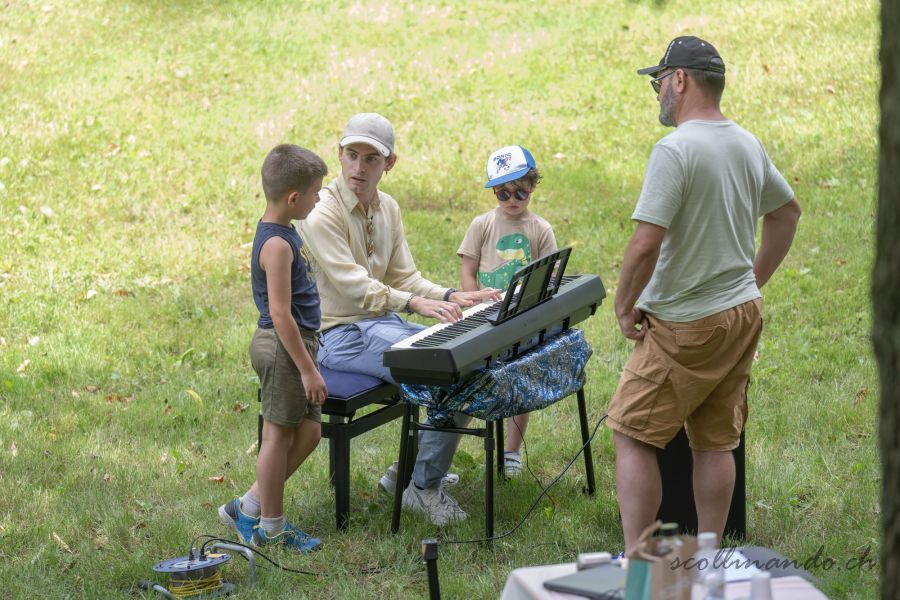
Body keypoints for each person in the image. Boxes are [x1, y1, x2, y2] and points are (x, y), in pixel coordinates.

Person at [608, 36, 801, 552]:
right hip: (740, 315)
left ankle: (639, 560)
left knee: (632, 433)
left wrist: (624, 307)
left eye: (658, 81)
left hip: (686, 324)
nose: (657, 92)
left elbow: (645, 243)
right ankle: (711, 556)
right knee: (715, 440)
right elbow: (787, 213)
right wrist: (750, 280)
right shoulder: (745, 142)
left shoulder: (676, 149)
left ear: (680, 79)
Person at [299, 113, 500, 526]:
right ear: (339, 154)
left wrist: (450, 295)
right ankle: (422, 487)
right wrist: (414, 304)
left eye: (371, 158)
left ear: (389, 163)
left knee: (466, 359)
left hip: (381, 323)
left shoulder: (387, 207)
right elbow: (355, 286)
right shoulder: (321, 213)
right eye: (351, 155)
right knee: (448, 371)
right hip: (339, 337)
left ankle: (410, 474)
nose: (358, 167)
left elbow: (403, 276)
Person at [218, 144, 329, 552]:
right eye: (316, 193)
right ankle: (272, 527)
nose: (319, 198)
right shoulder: (277, 246)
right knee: (277, 436)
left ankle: (248, 506)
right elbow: (281, 314)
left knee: (310, 432)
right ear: (294, 198)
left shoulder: (284, 232)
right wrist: (307, 369)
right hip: (285, 347)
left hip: (299, 345)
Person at [457, 145, 558, 477]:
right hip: (485, 315)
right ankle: (456, 444)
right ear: (494, 192)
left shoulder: (540, 228)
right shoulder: (482, 224)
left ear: (533, 186)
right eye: (503, 193)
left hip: (523, 317)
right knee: (476, 379)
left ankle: (511, 451)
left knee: (521, 378)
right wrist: (473, 302)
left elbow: (550, 275)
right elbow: (468, 268)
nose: (512, 199)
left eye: (520, 192)